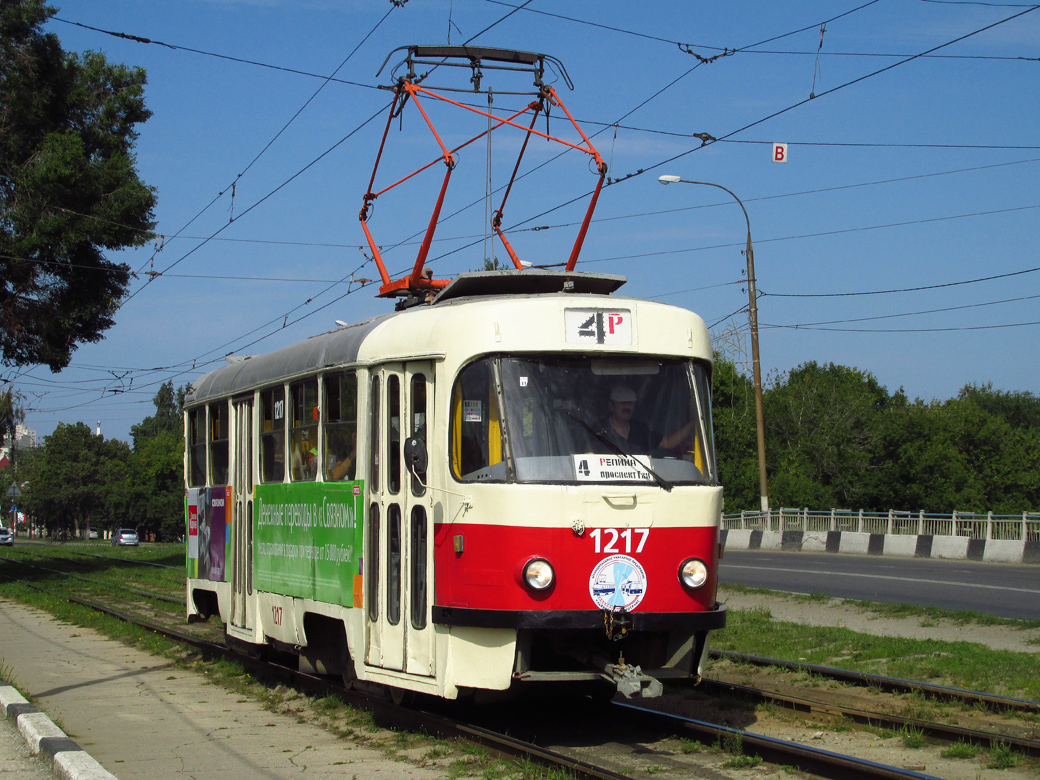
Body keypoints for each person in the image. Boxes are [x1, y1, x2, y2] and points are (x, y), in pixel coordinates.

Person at [600, 385, 697, 456]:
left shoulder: (640, 429)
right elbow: (589, 457)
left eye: (630, 403)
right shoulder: (599, 430)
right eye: (622, 403)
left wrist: (696, 421)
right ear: (611, 406)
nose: (627, 406)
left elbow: (668, 442)